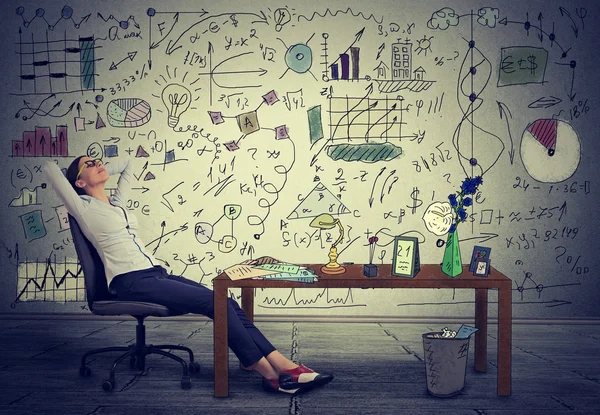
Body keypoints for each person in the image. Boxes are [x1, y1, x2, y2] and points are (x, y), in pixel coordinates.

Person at [44, 156, 333, 395]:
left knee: (225, 300)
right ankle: (273, 373)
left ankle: (278, 365)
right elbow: (48, 167)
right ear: (79, 183)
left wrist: (100, 165)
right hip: (131, 282)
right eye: (89, 164)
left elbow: (130, 163)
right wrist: (84, 174)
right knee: (214, 303)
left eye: (98, 161)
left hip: (154, 273)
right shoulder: (80, 207)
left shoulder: (117, 205)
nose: (98, 164)